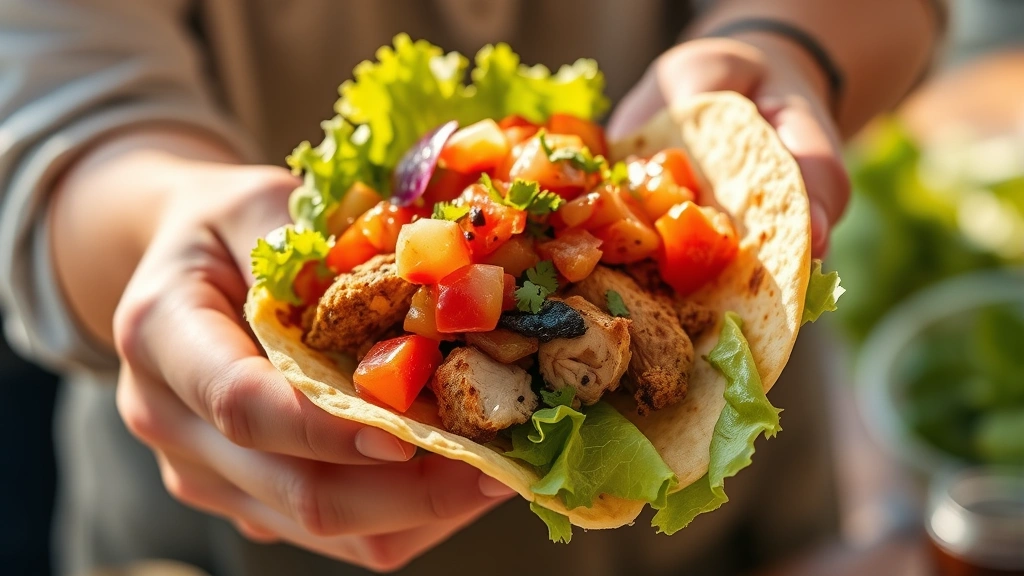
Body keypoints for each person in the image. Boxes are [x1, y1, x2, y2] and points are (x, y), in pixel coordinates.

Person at [0, 1, 943, 575]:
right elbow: (49, 113)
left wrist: (784, 40)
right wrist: (162, 225)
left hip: (724, 543)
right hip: (225, 526)